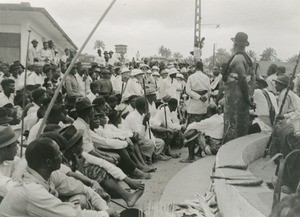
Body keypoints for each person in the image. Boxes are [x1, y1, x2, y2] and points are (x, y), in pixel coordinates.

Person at [0, 137, 119, 217]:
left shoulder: (49, 174)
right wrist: (106, 214)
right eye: (58, 154)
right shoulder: (32, 190)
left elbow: (84, 188)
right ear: (48, 162)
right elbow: (72, 215)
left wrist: (104, 207)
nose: (62, 155)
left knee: (81, 197)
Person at [222, 32, 255, 143]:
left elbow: (242, 78)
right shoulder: (249, 60)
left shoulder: (238, 58)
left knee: (232, 124)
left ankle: (230, 152)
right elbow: (253, 79)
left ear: (235, 44)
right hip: (243, 96)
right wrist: (249, 96)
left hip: (236, 97)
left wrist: (246, 97)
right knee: (242, 123)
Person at [122, 97, 170, 162]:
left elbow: (150, 128)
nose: (148, 108)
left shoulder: (143, 115)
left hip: (146, 138)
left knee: (160, 142)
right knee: (150, 143)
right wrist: (144, 123)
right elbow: (140, 135)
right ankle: (147, 159)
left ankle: (155, 155)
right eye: (147, 106)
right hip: (135, 140)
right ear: (144, 107)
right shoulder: (132, 117)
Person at [0, 126, 22, 201]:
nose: (17, 148)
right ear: (4, 150)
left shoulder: (13, 160)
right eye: (15, 145)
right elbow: (15, 189)